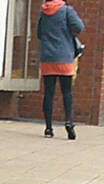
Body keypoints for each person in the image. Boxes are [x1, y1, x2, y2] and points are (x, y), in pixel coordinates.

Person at [37, 0, 83, 139]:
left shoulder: (43, 12)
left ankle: (48, 128)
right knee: (67, 92)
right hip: (64, 56)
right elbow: (79, 27)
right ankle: (69, 122)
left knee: (48, 93)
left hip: (47, 57)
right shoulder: (67, 10)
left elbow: (39, 34)